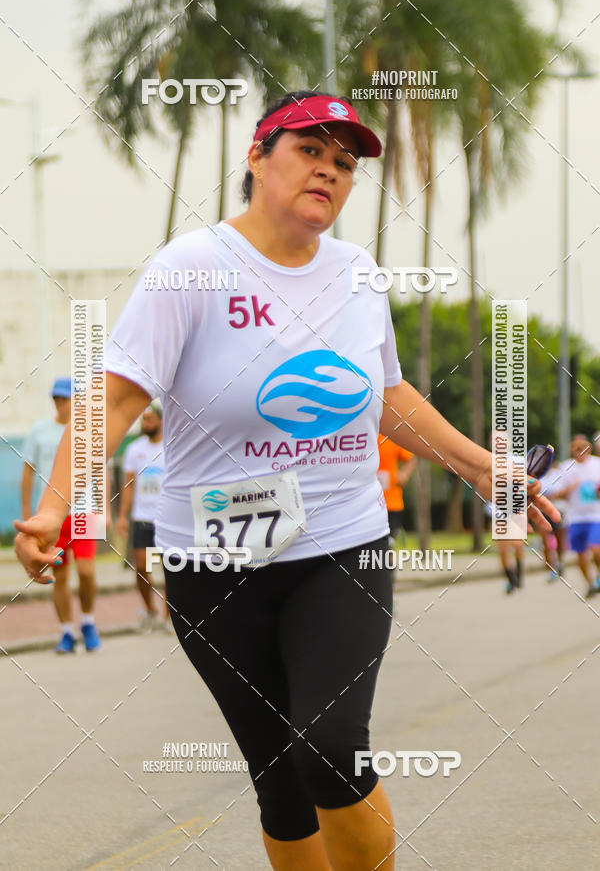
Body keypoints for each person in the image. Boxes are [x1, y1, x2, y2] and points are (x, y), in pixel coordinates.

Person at [13, 90, 559, 871]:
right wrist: (53, 509)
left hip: (341, 545)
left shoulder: (357, 274)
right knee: (279, 777)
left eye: (344, 164)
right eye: (309, 151)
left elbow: (386, 398)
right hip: (210, 565)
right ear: (256, 158)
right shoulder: (189, 270)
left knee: (330, 749)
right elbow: (114, 401)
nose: (329, 172)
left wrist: (480, 466)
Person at [20, 377, 101, 653]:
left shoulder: (88, 430)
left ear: (77, 400)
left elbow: (101, 472)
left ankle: (88, 622)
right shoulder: (40, 430)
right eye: (56, 398)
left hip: (84, 512)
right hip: (52, 516)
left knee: (87, 571)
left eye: (65, 398)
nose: (60, 403)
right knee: (61, 576)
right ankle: (67, 632)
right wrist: (27, 513)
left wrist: (106, 509)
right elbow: (28, 472)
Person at [117, 402, 169, 630]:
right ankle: (150, 610)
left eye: (149, 419)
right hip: (142, 518)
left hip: (167, 518)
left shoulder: (171, 448)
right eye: (143, 419)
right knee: (141, 566)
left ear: (160, 421)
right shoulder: (134, 449)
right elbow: (128, 484)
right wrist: (122, 516)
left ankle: (169, 617)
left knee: (171, 569)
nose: (144, 423)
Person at [552, 434, 600, 598]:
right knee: (581, 553)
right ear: (572, 450)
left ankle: (598, 577)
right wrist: (570, 488)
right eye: (576, 448)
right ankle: (590, 583)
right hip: (576, 518)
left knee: (596, 549)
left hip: (595, 516)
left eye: (583, 448)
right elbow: (557, 493)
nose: (580, 451)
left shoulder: (597, 464)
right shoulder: (566, 467)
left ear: (589, 448)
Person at [376, 434, 416, 544]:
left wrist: (405, 474)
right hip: (368, 502)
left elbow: (411, 458)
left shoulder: (390, 437)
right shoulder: (363, 436)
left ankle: (388, 559)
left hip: (391, 502)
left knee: (388, 541)